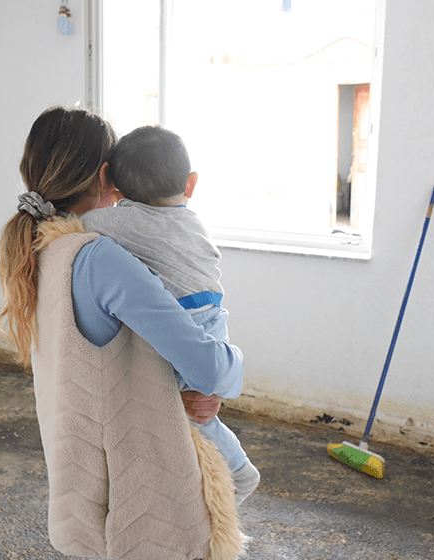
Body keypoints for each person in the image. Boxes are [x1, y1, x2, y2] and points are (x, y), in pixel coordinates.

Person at [0, 107, 246, 560]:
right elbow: (209, 367)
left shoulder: (42, 249)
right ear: (106, 175)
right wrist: (230, 369)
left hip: (82, 471)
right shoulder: (100, 259)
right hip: (141, 480)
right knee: (242, 478)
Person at [80, 125, 260, 506]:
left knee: (188, 412)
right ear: (190, 184)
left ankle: (238, 471)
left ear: (112, 184)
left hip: (185, 319)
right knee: (199, 410)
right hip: (214, 316)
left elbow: (79, 224)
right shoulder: (192, 222)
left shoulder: (116, 222)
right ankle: (233, 472)